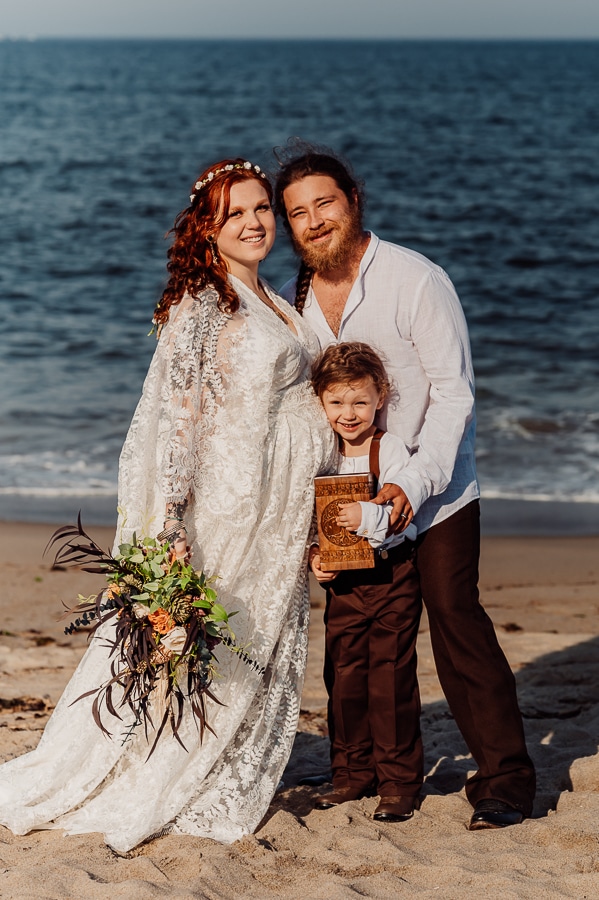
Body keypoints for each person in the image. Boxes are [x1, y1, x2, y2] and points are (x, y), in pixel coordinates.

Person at [0, 159, 335, 852]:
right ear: (206, 229)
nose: (253, 222)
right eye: (234, 213)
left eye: (260, 209)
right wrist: (172, 526)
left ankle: (215, 761)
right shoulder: (206, 303)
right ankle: (161, 769)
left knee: (258, 642)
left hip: (275, 510)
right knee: (221, 643)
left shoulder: (269, 295)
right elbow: (177, 421)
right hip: (230, 508)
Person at [274, 148, 536, 830]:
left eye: (323, 203)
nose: (313, 220)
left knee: (454, 620)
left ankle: (505, 779)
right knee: (353, 645)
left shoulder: (416, 279)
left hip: (436, 488)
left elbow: (454, 395)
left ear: (352, 199)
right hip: (349, 501)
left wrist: (412, 483)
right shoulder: (300, 295)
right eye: (297, 213)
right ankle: (356, 771)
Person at [309, 342, 423, 823]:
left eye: (359, 401)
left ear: (381, 397)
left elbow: (407, 519)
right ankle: (351, 774)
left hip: (393, 575)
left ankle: (397, 782)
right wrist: (316, 558)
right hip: (343, 588)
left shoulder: (389, 448)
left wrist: (368, 515)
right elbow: (309, 519)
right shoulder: (321, 452)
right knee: (344, 677)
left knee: (390, 681)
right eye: (336, 402)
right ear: (320, 402)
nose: (348, 413)